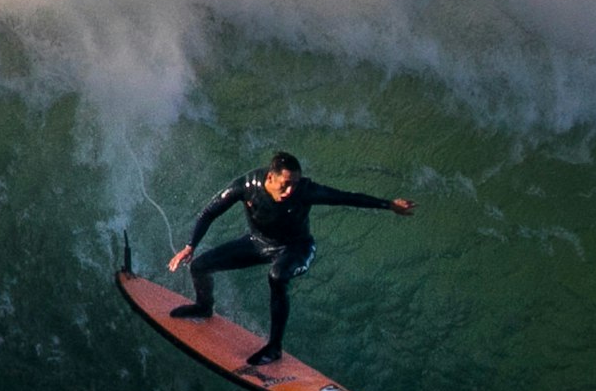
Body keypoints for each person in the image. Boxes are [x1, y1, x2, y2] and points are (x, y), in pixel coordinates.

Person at [169, 151, 413, 366]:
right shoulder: (246, 186)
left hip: (297, 248)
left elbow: (347, 197)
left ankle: (274, 348)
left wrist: (389, 205)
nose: (290, 191)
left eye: (294, 184)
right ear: (270, 178)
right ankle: (203, 306)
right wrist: (190, 246)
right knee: (200, 266)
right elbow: (210, 212)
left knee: (277, 276)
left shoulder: (304, 191)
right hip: (259, 243)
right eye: (285, 184)